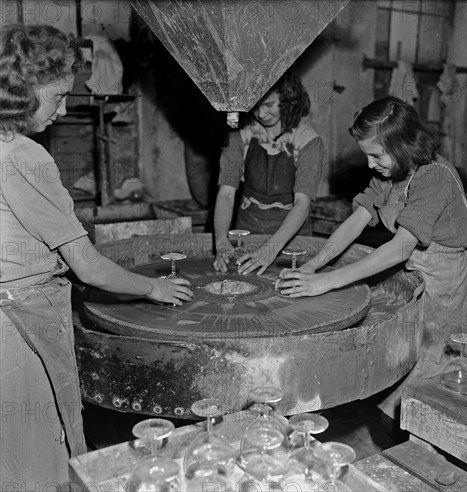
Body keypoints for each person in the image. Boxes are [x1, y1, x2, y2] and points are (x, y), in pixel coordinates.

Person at [0, 24, 193, 488]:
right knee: (39, 453)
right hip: (19, 323)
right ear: (24, 93)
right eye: (58, 96)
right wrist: (153, 286)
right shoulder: (24, 155)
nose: (65, 109)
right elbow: (86, 264)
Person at [277, 97, 467, 418]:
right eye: (367, 156)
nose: (371, 165)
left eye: (376, 155)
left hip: (448, 281)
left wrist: (326, 281)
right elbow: (355, 221)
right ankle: (404, 429)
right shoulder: (390, 174)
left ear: (402, 145)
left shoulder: (434, 177)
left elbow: (401, 246)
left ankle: (426, 442)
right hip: (418, 270)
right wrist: (313, 265)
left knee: (437, 368)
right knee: (410, 359)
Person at [213, 72, 325, 275]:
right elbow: (226, 194)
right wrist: (221, 241)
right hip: (246, 235)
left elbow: (303, 203)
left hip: (292, 241)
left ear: (287, 98)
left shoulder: (308, 141)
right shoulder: (239, 134)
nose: (261, 113)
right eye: (255, 105)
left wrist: (271, 249)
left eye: (269, 105)